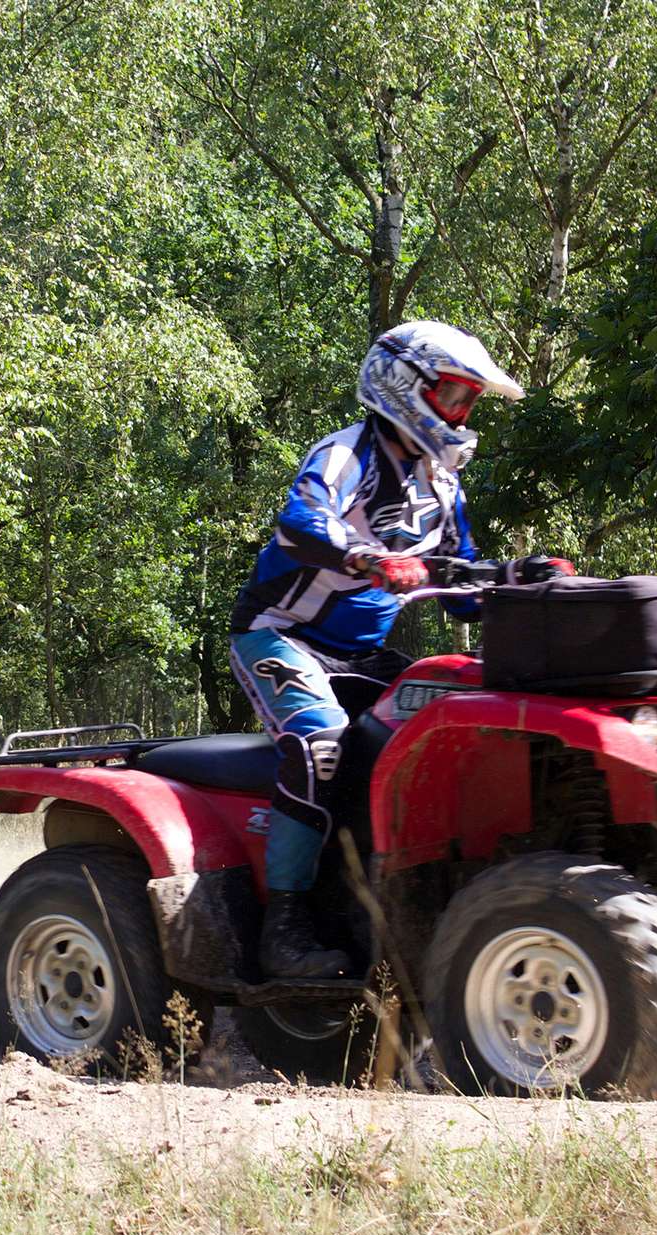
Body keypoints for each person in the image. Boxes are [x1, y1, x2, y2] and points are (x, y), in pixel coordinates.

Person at [230, 321, 573, 978]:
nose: (464, 413)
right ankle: (286, 924)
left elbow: (460, 584)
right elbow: (301, 522)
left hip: (361, 656)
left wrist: (520, 579)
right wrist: (368, 556)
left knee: (440, 725)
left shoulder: (441, 486)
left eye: (470, 401)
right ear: (404, 385)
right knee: (320, 742)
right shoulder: (344, 454)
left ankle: (388, 906)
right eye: (453, 395)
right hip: (280, 635)